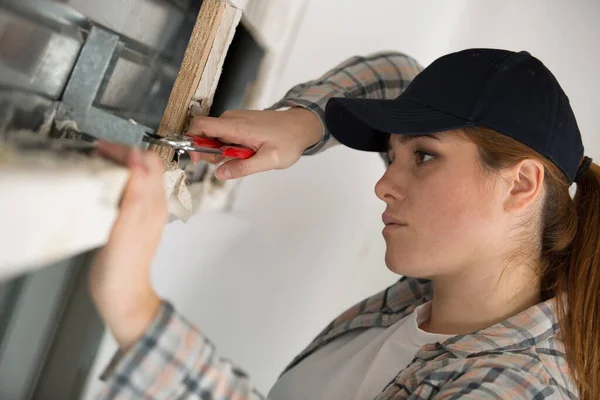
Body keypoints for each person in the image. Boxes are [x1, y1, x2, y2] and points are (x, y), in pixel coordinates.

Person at [89, 49, 599, 399]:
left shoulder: (513, 387)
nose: (384, 185)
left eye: (423, 156)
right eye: (392, 154)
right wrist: (303, 123)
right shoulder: (434, 295)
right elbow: (400, 75)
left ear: (520, 186)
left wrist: (136, 310)